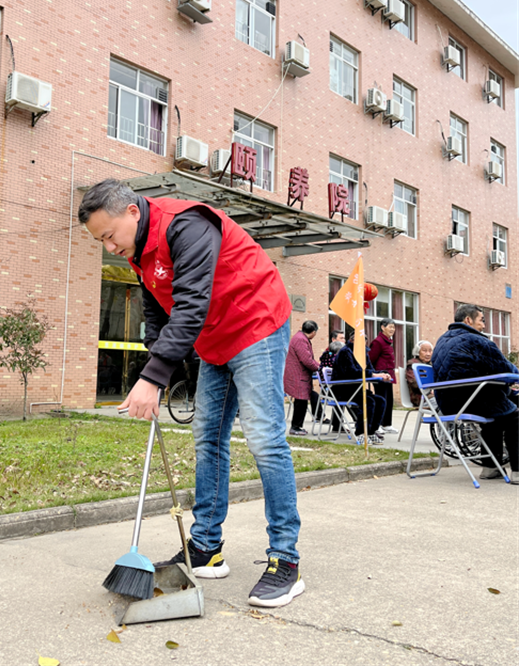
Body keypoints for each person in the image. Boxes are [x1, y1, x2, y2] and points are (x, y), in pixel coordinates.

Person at [78, 179, 305, 606]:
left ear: (132, 212)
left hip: (255, 323)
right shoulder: (138, 252)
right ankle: (207, 548)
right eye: (100, 241)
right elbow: (155, 314)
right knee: (208, 439)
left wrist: (154, 377)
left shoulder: (187, 226)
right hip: (213, 339)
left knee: (264, 438)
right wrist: (154, 367)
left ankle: (285, 560)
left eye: (108, 236)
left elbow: (191, 303)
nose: (108, 247)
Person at [432, 304, 519, 484]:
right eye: (482, 320)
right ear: (468, 320)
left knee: (496, 417)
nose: (484, 326)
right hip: (469, 399)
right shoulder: (476, 340)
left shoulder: (442, 340)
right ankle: (517, 470)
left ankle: (490, 467)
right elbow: (504, 367)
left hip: (447, 402)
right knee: (514, 417)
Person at [330, 334, 390, 444]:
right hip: (342, 389)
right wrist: (373, 375)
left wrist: (382, 374)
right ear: (352, 340)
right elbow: (351, 373)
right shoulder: (345, 352)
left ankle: (371, 432)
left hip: (357, 389)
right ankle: (361, 433)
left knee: (380, 401)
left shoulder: (364, 353)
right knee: (369, 401)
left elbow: (371, 370)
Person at [284, 320, 321, 436]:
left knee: (304, 400)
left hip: (300, 375)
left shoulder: (300, 337)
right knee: (301, 401)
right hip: (298, 375)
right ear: (313, 332)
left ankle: (298, 426)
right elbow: (307, 360)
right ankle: (295, 427)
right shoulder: (301, 339)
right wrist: (319, 368)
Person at [369, 319, 397, 433]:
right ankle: (378, 425)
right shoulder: (378, 342)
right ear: (382, 327)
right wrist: (374, 374)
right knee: (381, 399)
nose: (392, 329)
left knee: (389, 399)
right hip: (380, 375)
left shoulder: (388, 341)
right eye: (390, 327)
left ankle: (387, 424)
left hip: (388, 375)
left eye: (394, 327)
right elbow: (371, 359)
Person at [406, 340, 433, 407]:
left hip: (432, 395)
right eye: (424, 351)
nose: (428, 354)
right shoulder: (412, 364)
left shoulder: (431, 365)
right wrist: (430, 390)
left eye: (430, 351)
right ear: (417, 352)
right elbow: (414, 383)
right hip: (420, 397)